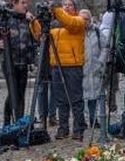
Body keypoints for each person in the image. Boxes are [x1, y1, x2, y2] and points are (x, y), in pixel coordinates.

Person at [32, 0, 86, 140]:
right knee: (61, 100)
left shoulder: (78, 21)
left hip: (73, 66)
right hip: (56, 65)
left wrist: (56, 9)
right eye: (64, 5)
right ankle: (63, 128)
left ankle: (78, 129)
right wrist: (34, 20)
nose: (66, 7)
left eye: (69, 5)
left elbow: (69, 23)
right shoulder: (54, 24)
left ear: (75, 8)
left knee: (76, 99)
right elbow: (39, 35)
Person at [0, 0, 35, 125]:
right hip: (9, 62)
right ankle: (7, 121)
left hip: (24, 62)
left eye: (26, 3)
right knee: (13, 92)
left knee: (21, 93)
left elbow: (34, 38)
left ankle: (19, 122)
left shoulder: (27, 20)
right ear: (14, 4)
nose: (26, 5)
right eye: (23, 3)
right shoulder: (5, 19)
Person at [80, 9, 106, 129]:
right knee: (80, 97)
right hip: (81, 69)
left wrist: (101, 62)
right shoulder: (76, 32)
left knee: (94, 96)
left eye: (86, 19)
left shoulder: (96, 31)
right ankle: (81, 120)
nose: (84, 21)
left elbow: (105, 47)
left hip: (95, 68)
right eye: (81, 19)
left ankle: (93, 119)